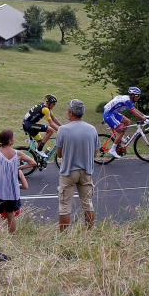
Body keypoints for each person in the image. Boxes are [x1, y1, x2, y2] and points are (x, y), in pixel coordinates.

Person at [56, 99, 98, 231]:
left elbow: (59, 154)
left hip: (68, 171)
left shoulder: (63, 130)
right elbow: (95, 153)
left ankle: (64, 236)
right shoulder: (92, 129)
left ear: (71, 112)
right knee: (88, 204)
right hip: (86, 170)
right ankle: (90, 232)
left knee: (64, 206)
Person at [0, 129, 37, 233]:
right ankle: (11, 237)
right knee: (11, 215)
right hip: (12, 192)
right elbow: (33, 163)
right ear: (10, 141)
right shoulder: (17, 153)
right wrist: (19, 168)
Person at [102, 87, 149, 159]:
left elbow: (134, 109)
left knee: (127, 121)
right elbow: (134, 112)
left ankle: (121, 138)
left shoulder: (128, 99)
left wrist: (144, 116)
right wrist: (144, 119)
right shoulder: (127, 100)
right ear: (132, 95)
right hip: (109, 114)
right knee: (120, 132)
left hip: (112, 112)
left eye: (139, 95)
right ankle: (112, 150)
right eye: (137, 95)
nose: (138, 97)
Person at [22, 94, 62, 162]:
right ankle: (39, 150)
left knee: (40, 142)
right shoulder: (45, 109)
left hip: (28, 124)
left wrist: (62, 127)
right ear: (49, 103)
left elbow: (54, 119)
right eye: (53, 104)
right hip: (28, 125)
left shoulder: (47, 108)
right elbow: (51, 124)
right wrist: (62, 131)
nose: (54, 105)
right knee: (50, 130)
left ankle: (37, 161)